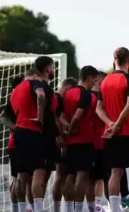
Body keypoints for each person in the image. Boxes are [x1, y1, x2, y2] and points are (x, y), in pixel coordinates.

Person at [98, 47, 129, 212]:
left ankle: (114, 208)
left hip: (110, 133)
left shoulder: (104, 81)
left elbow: (99, 108)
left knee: (115, 171)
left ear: (114, 61)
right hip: (128, 133)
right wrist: (118, 124)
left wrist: (110, 123)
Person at [11, 57, 58, 212]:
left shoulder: (15, 90)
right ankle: (37, 209)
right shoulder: (36, 83)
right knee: (38, 171)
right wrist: (39, 117)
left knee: (21, 175)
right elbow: (41, 95)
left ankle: (21, 208)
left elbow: (8, 116)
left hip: (18, 133)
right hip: (33, 131)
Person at [62, 65, 100, 212]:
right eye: (94, 80)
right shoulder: (86, 95)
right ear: (89, 78)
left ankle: (68, 209)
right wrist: (72, 129)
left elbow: (60, 115)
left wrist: (66, 129)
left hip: (70, 142)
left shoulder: (68, 93)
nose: (95, 83)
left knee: (70, 175)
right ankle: (78, 209)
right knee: (82, 176)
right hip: (83, 140)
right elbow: (78, 116)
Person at [1, 74, 33, 212]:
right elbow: (2, 117)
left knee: (21, 179)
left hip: (22, 143)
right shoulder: (15, 98)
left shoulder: (21, 98)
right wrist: (16, 129)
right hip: (17, 144)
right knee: (20, 178)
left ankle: (23, 208)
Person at [53, 77, 78, 212]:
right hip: (61, 141)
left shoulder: (55, 97)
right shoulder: (58, 99)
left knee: (60, 175)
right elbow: (56, 118)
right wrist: (61, 135)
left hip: (57, 140)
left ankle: (58, 209)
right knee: (68, 175)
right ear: (69, 88)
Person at [87, 72, 109, 212]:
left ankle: (95, 205)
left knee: (96, 177)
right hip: (96, 142)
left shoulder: (89, 97)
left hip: (96, 141)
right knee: (96, 178)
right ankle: (95, 205)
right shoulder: (94, 98)